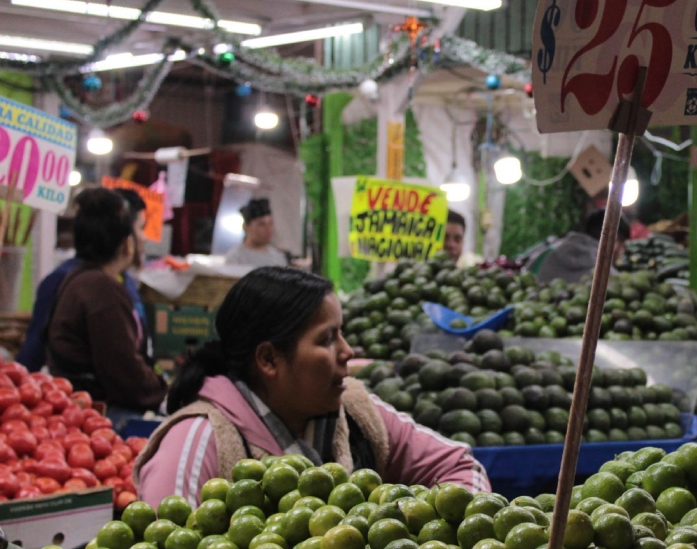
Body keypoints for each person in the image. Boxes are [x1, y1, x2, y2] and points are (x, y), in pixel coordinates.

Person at [134, 267, 488, 507]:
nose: (348, 352)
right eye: (328, 338)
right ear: (269, 359)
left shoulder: (357, 412)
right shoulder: (197, 443)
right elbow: (162, 536)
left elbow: (461, 467)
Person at [46, 188, 166, 427]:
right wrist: (166, 393)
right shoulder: (101, 289)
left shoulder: (80, 279)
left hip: (83, 410)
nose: (143, 238)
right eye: (140, 230)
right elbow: (125, 374)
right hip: (99, 416)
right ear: (126, 244)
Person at [20, 189, 149, 371]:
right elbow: (32, 355)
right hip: (83, 396)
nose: (145, 238)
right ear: (127, 239)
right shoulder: (62, 280)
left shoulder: (125, 282)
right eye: (141, 228)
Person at [536, 210, 630, 285]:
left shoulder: (550, 257)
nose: (622, 252)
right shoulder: (607, 277)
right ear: (613, 240)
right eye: (622, 246)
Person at [225, 198, 288, 267]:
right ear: (246, 226)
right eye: (261, 224)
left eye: (270, 224)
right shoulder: (236, 257)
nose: (268, 229)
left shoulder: (277, 257)